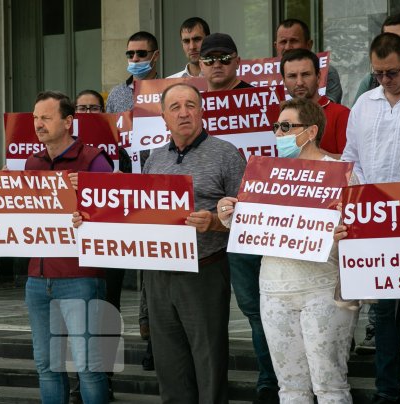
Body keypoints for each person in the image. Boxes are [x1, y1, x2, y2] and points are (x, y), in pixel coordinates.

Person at [217, 97, 358, 403]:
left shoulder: (340, 174)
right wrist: (229, 212)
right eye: (275, 127)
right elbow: (250, 224)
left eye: (285, 127)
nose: (278, 134)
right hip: (274, 290)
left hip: (323, 290)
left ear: (310, 131)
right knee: (290, 388)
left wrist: (346, 232)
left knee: (329, 385)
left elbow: (359, 229)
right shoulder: (267, 175)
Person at [341, 32, 400, 403]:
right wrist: (361, 194)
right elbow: (352, 157)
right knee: (384, 314)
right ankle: (387, 390)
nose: (384, 80)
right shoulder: (364, 103)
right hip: (374, 217)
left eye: (392, 72)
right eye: (377, 73)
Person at [142, 83, 245, 403]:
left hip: (205, 272)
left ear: (202, 112)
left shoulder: (226, 154)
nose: (183, 112)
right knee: (170, 370)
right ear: (163, 118)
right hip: (159, 275)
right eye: (175, 107)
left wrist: (215, 221)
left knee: (208, 365)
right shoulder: (153, 159)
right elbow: (138, 218)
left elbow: (250, 217)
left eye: (190, 105)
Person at [201, 31, 280, 404]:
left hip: (265, 218)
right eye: (209, 59)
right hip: (222, 228)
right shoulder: (194, 106)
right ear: (200, 65)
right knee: (252, 309)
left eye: (223, 57)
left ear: (237, 61)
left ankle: (273, 380)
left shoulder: (265, 101)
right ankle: (270, 379)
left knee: (269, 307)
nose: (216, 64)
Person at [25, 91, 113, 404]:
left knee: (88, 367)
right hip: (37, 277)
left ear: (68, 121)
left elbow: (113, 212)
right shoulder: (32, 162)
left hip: (81, 276)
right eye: (36, 117)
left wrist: (88, 194)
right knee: (46, 365)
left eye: (46, 117)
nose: (38, 124)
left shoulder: (93, 159)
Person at [72, 89, 128, 402]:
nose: (89, 113)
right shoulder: (62, 150)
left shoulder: (120, 150)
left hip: (110, 242)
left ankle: (103, 377)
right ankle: (80, 379)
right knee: (75, 314)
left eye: (95, 108)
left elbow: (135, 190)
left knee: (107, 309)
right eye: (82, 108)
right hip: (71, 245)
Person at [280, 48, 350, 157]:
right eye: (292, 76)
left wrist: (312, 153)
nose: (299, 82)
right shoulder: (279, 117)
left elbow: (350, 164)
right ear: (284, 81)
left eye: (305, 74)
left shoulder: (341, 114)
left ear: (318, 77)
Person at [275, 18, 343, 104]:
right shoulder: (262, 76)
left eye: (294, 41)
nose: (288, 47)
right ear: (275, 46)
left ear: (309, 44)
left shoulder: (327, 72)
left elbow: (328, 109)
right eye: (283, 42)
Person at [106, 31, 160, 113]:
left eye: (141, 53)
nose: (135, 59)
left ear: (155, 56)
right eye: (130, 54)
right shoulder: (116, 94)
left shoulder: (169, 91)